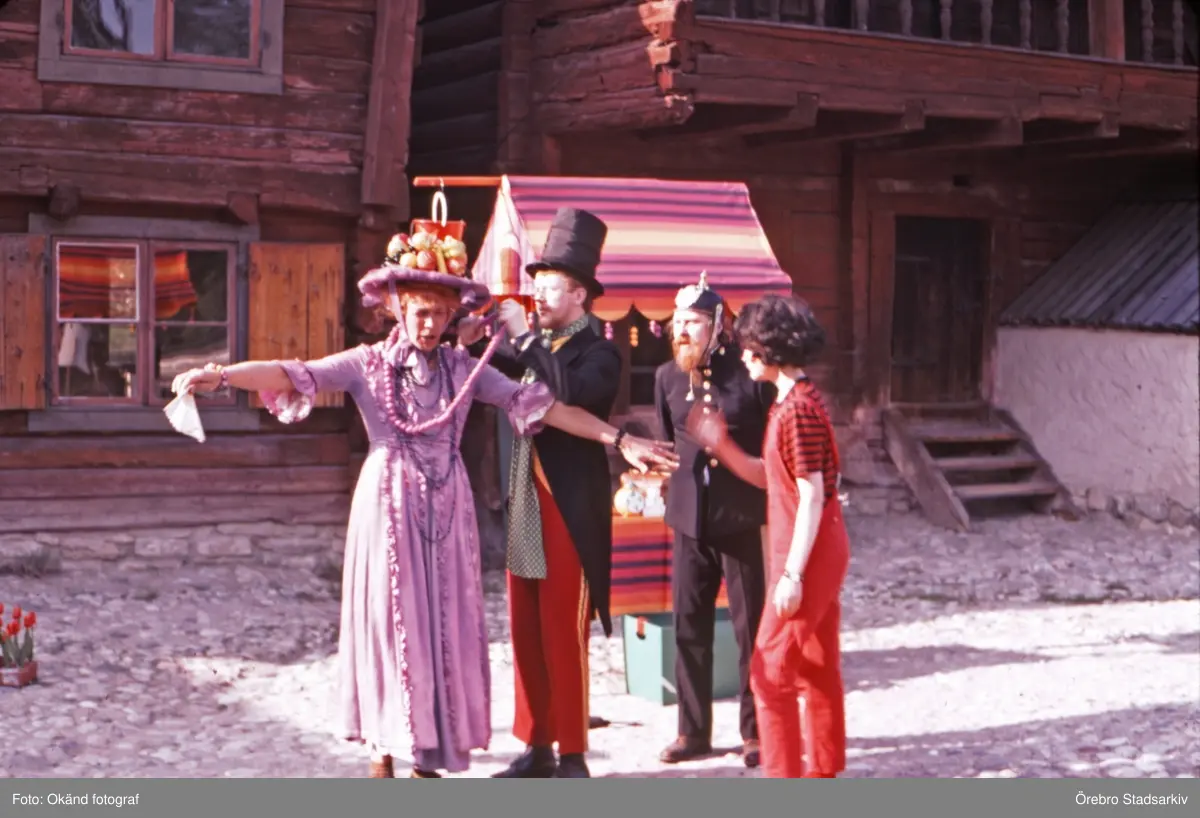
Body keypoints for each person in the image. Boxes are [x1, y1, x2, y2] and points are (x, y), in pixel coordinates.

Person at [171, 239, 676, 780]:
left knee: (442, 623)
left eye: (439, 313)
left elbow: (543, 407)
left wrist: (619, 438)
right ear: (397, 308)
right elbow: (295, 372)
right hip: (387, 505)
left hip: (448, 510)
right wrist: (221, 375)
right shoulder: (366, 364)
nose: (430, 324)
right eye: (420, 312)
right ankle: (383, 748)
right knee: (390, 620)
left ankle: (430, 753)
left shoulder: (464, 369)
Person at [486, 207, 631, 779]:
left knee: (563, 632)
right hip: (524, 497)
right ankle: (536, 745)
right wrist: (474, 335)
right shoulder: (531, 346)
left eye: (549, 287)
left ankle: (573, 752)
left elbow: (567, 390)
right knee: (525, 628)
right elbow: (482, 368)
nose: (538, 296)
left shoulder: (600, 351)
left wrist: (523, 337)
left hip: (568, 508)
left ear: (579, 296)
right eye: (537, 285)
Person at [687, 293, 849, 779]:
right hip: (814, 544)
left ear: (772, 350)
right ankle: (824, 773)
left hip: (808, 551)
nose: (743, 355)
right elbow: (778, 479)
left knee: (769, 673)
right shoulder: (797, 399)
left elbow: (811, 495)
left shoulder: (796, 410)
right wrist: (721, 445)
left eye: (750, 347)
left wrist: (793, 574)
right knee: (816, 662)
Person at [654, 273, 773, 769]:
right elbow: (669, 441)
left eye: (694, 321)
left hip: (739, 516)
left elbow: (769, 444)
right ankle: (692, 731)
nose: (682, 330)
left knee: (750, 629)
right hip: (688, 518)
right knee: (688, 625)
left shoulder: (749, 375)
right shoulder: (666, 376)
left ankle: (756, 732)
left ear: (718, 326)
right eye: (678, 321)